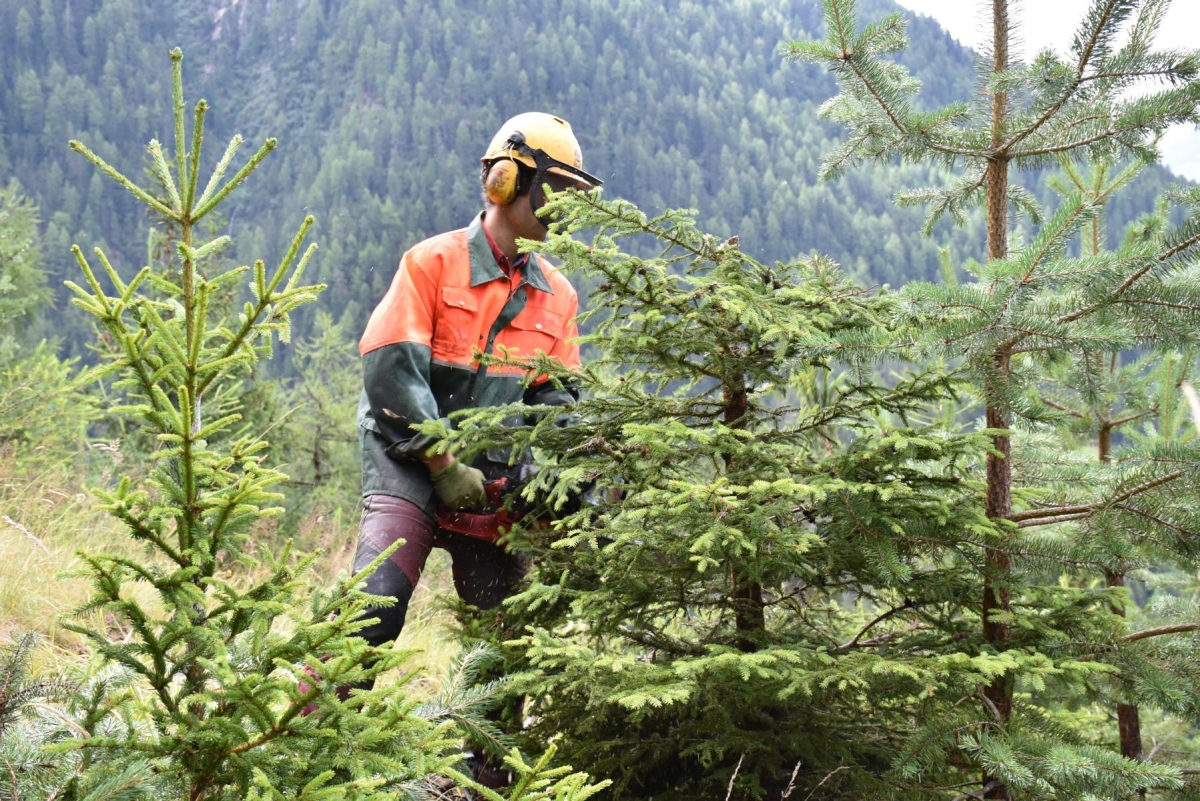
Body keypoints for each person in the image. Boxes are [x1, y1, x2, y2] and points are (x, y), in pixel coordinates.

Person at [350, 112, 602, 659]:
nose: (561, 206)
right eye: (553, 189)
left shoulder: (558, 295)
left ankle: (478, 747)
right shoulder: (431, 263)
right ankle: (313, 732)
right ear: (506, 181)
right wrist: (441, 463)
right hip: (406, 456)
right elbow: (390, 370)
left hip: (489, 470)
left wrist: (556, 470)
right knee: (376, 603)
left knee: (504, 637)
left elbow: (555, 399)